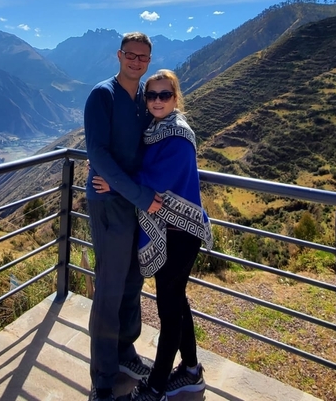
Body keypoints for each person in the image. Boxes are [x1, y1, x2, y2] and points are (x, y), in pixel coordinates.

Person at [93, 69, 212, 401]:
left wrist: (116, 181)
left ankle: (157, 386)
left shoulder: (177, 134)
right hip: (171, 230)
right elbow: (145, 171)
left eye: (164, 95)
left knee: (168, 308)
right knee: (177, 301)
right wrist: (122, 178)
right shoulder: (157, 129)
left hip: (181, 232)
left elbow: (157, 177)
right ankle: (190, 371)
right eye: (152, 95)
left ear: (175, 98)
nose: (157, 101)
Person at [85, 32, 164, 401]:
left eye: (143, 56)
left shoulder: (145, 97)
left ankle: (125, 353)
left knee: (133, 282)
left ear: (149, 60)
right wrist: (139, 195)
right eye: (130, 55)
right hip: (111, 205)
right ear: (119, 56)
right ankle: (103, 375)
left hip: (132, 200)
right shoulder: (103, 95)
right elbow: (98, 154)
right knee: (110, 287)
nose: (136, 61)